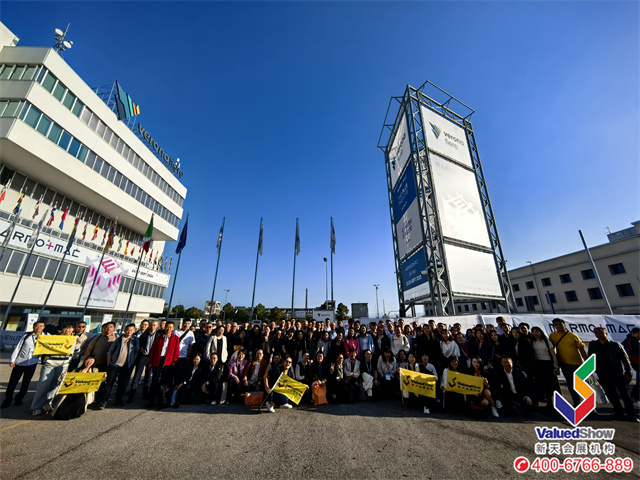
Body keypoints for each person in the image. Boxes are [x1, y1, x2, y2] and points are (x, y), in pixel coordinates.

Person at [588, 327, 638, 422]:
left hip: (618, 374)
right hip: (603, 374)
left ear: (606, 334)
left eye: (601, 333)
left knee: (625, 395)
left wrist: (628, 373)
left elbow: (625, 359)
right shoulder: (593, 345)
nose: (599, 335)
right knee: (611, 395)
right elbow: (590, 359)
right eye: (597, 333)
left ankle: (632, 415)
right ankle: (618, 411)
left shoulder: (615, 345)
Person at [90, 323, 139, 409]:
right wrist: (109, 364)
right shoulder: (119, 339)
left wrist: (131, 362)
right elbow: (110, 351)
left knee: (122, 384)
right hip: (114, 365)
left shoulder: (135, 340)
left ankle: (118, 400)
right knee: (109, 383)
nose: (129, 331)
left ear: (134, 331)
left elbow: (136, 352)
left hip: (126, 366)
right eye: (127, 329)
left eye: (131, 330)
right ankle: (104, 401)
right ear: (124, 330)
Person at [31, 324, 75, 416]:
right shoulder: (53, 337)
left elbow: (75, 353)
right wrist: (39, 340)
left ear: (73, 329)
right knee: (43, 385)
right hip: (49, 364)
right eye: (65, 327)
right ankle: (36, 407)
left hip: (63, 365)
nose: (67, 329)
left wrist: (77, 343)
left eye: (70, 328)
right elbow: (40, 346)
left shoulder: (74, 339)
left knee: (55, 386)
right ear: (62, 329)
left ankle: (48, 404)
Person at [2, 320, 46, 408]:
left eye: (41, 326)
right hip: (20, 362)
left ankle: (19, 399)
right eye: (37, 326)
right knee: (12, 383)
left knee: (25, 383)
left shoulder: (46, 336)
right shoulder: (27, 336)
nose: (39, 328)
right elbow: (18, 348)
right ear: (33, 327)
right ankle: (8, 399)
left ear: (44, 327)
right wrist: (12, 360)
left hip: (32, 363)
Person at [549, 318, 587, 406]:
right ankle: (577, 402)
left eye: (560, 324)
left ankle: (590, 406)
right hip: (565, 364)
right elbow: (552, 349)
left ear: (564, 325)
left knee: (581, 386)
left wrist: (587, 362)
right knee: (570, 384)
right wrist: (556, 364)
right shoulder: (553, 336)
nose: (558, 326)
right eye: (556, 325)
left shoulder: (573, 336)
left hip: (577, 364)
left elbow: (581, 350)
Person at [147, 321, 180, 408]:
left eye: (170, 327)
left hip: (168, 362)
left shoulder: (175, 338)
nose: (168, 329)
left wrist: (174, 361)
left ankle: (162, 401)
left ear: (173, 328)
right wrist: (150, 362)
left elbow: (176, 351)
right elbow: (153, 350)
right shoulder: (159, 338)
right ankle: (151, 401)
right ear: (164, 327)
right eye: (167, 327)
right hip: (157, 361)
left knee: (164, 382)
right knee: (154, 381)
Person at [127, 320, 159, 402]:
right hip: (143, 356)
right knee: (137, 374)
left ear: (157, 326)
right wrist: (141, 347)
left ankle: (145, 394)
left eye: (154, 325)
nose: (152, 327)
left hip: (152, 357)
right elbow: (139, 342)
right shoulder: (145, 334)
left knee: (148, 376)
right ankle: (131, 395)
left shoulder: (158, 335)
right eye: (151, 325)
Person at [530, 326, 561, 409]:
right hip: (538, 364)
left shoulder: (546, 341)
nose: (535, 333)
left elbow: (553, 354)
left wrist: (556, 366)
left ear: (541, 332)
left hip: (548, 363)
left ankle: (559, 403)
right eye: (534, 332)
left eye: (537, 331)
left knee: (553, 384)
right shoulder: (532, 341)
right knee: (543, 384)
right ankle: (549, 402)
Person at [622, 328, 639, 403]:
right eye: (638, 334)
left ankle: (634, 398)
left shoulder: (627, 340)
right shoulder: (632, 340)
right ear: (633, 333)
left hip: (633, 362)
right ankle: (634, 398)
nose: (639, 336)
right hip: (636, 362)